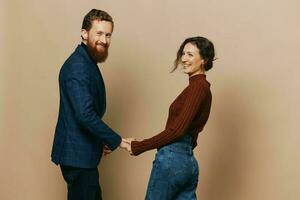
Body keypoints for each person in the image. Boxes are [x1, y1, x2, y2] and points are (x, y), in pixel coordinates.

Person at [51, 9, 130, 200]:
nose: (104, 39)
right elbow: (85, 114)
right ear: (84, 34)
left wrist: (100, 139)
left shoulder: (87, 61)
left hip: (82, 155)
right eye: (99, 33)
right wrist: (117, 140)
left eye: (108, 34)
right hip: (77, 157)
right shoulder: (78, 67)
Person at [128, 36, 215, 199]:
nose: (183, 59)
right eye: (183, 54)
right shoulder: (202, 89)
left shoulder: (197, 88)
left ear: (204, 59)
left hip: (173, 159)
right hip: (187, 161)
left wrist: (139, 146)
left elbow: (177, 130)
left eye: (190, 54)